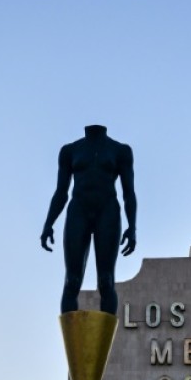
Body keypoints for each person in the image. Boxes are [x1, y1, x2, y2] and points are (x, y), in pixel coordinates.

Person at [41, 124, 137, 315]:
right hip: (79, 211)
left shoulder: (120, 151)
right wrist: (48, 223)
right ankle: (73, 343)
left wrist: (132, 227)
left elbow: (129, 193)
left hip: (107, 211)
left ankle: (106, 343)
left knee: (106, 281)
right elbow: (61, 192)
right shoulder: (70, 151)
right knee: (72, 281)